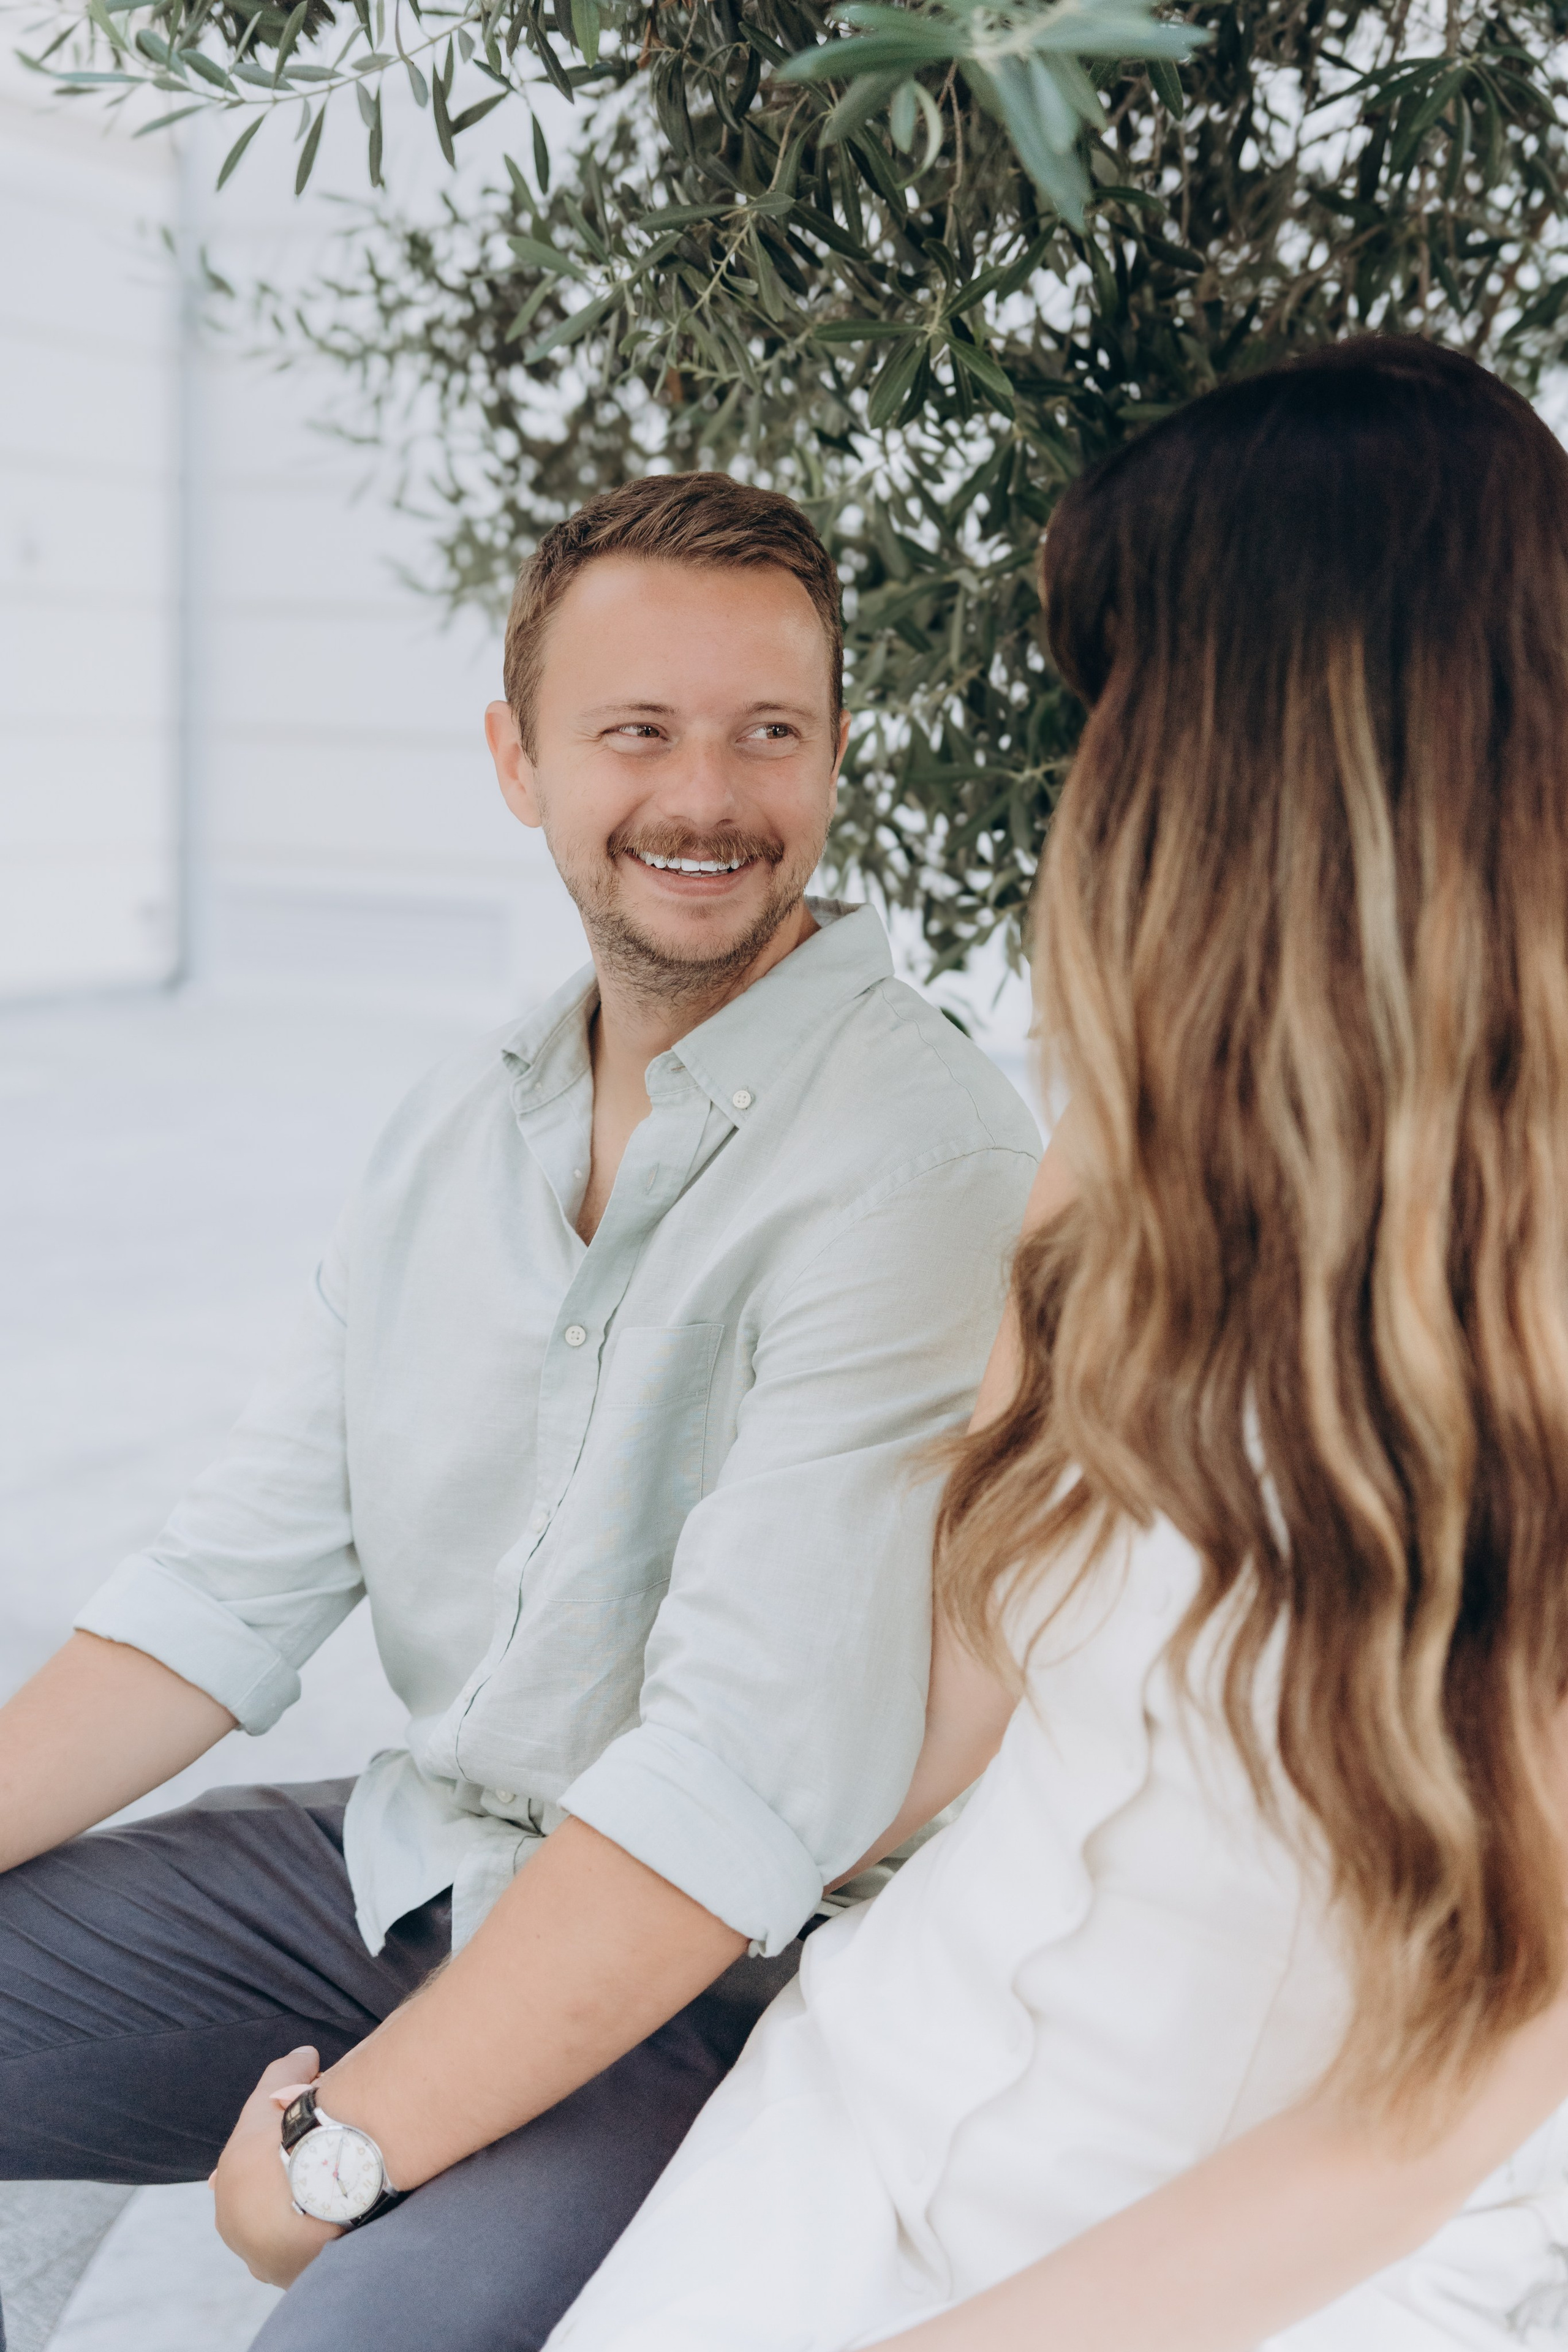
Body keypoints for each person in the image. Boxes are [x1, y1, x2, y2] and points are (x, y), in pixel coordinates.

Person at [541, 339, 1568, 2352]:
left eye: (1118, 708)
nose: (1084, 787)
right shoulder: (1116, 1155)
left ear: (1268, 757)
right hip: (858, 2115)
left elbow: (1428, 2125)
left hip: (1278, 2268)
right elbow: (936, 1708)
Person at [0, 473, 1040, 2352]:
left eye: (767, 735)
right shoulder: (460, 1119)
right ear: (519, 758)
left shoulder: (922, 1160)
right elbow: (221, 1592)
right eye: (636, 731)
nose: (705, 797)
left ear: (835, 756)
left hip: (699, 1985)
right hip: (410, 1869)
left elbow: (736, 1789)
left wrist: (334, 2157)